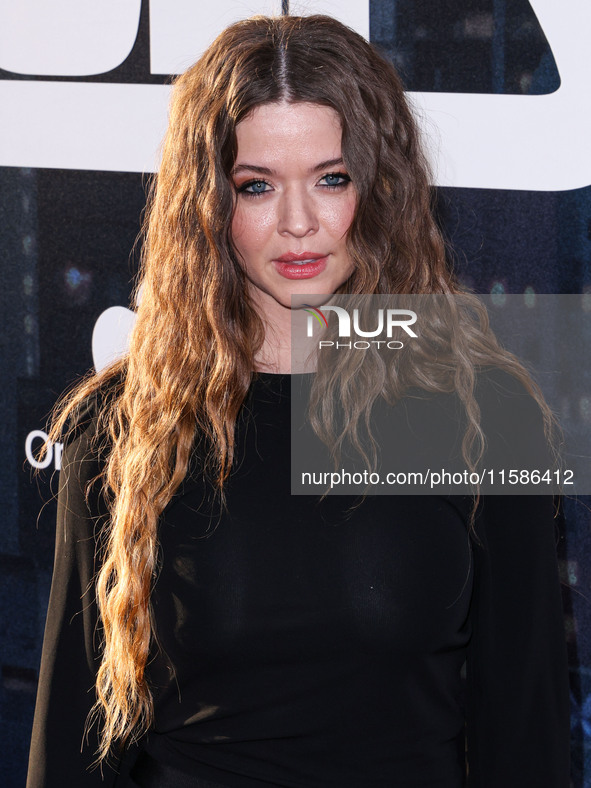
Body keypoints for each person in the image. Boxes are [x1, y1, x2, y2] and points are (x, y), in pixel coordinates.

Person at [26, 14, 570, 788]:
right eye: (256, 186)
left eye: (331, 178)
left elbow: (525, 733)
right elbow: (74, 745)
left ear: (377, 188)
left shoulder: (481, 415)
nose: (297, 223)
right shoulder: (122, 428)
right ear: (208, 202)